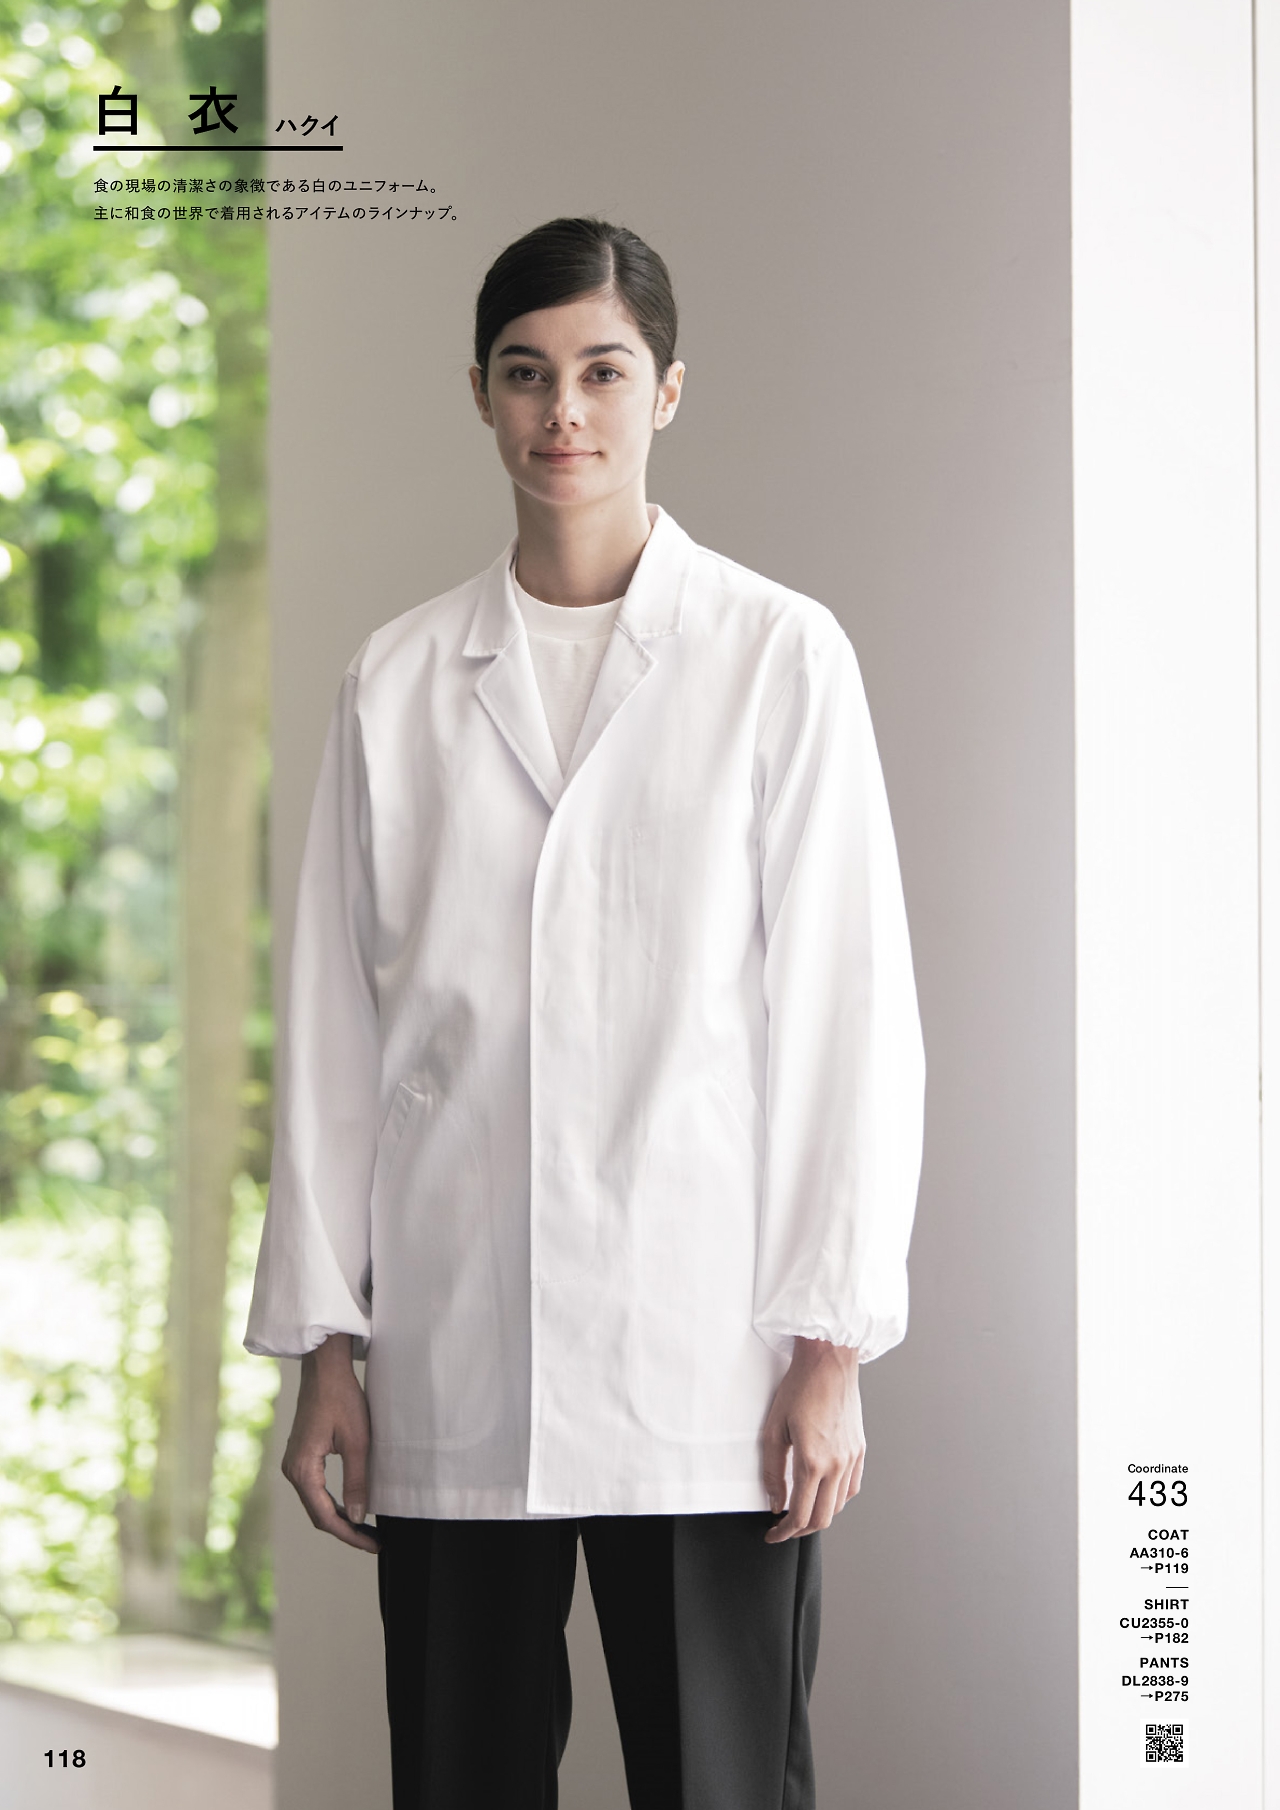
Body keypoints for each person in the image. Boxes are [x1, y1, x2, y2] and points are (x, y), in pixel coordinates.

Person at [245, 216, 925, 1810]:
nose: (565, 412)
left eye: (603, 372)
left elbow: (848, 1016)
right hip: (455, 1344)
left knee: (720, 1783)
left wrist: (830, 1345)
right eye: (526, 373)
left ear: (667, 391)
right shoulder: (396, 679)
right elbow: (337, 1034)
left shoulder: (776, 655)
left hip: (707, 1359)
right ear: (480, 393)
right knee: (460, 1779)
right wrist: (327, 1346)